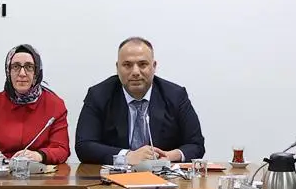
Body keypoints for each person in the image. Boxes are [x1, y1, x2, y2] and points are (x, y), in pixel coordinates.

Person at [75, 37, 204, 165]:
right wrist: (127, 156)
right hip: (115, 176)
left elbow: (196, 145)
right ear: (117, 67)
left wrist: (168, 156)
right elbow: (84, 146)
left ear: (154, 66)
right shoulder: (99, 95)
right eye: (127, 65)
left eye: (142, 64)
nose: (135, 72)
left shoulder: (175, 95)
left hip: (162, 174)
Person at [0, 44, 71, 165]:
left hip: (37, 173)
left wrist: (38, 156)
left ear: (36, 72)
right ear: (8, 71)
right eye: (15, 67)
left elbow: (62, 150)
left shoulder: (55, 105)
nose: (22, 73)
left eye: (29, 67)